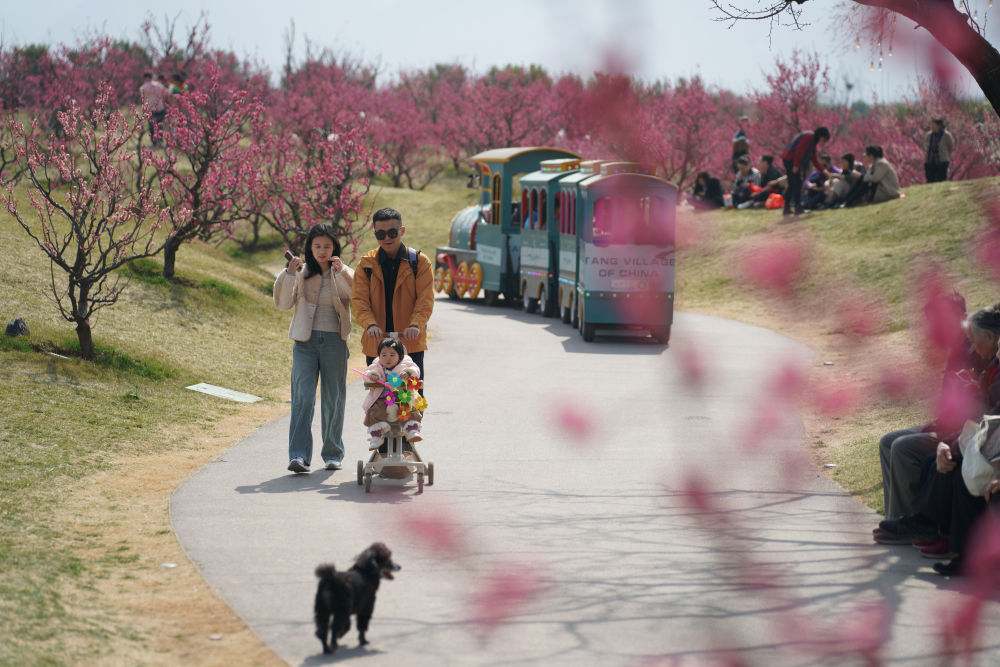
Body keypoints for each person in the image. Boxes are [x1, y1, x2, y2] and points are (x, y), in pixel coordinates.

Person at [875, 305, 1000, 575]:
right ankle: (905, 520)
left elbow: (986, 416)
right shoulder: (966, 351)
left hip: (974, 437)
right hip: (963, 433)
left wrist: (948, 441)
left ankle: (929, 527)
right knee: (893, 442)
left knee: (914, 452)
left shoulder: (979, 354)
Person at [877, 293, 984, 524]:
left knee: (903, 446)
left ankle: (910, 520)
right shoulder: (954, 350)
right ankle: (896, 516)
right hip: (944, 427)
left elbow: (973, 411)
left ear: (964, 318)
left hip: (961, 434)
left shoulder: (975, 352)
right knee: (887, 441)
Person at [273, 224, 354, 473]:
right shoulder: (300, 271)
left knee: (334, 399)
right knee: (303, 398)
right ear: (310, 247)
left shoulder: (343, 270)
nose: (321, 250)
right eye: (317, 246)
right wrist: (288, 273)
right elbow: (283, 303)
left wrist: (340, 273)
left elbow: (357, 294)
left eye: (327, 246)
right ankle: (298, 456)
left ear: (335, 248)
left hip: (335, 343)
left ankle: (333, 454)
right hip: (304, 345)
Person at [352, 207, 435, 389]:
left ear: (401, 231)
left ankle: (413, 419)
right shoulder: (366, 264)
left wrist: (415, 325)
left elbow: (425, 300)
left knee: (411, 399)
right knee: (380, 400)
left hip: (410, 344)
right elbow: (359, 301)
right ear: (375, 234)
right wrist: (370, 324)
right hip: (377, 346)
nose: (387, 238)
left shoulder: (419, 263)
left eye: (392, 232)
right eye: (381, 234)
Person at [361, 338, 423, 448]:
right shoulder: (377, 366)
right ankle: (376, 436)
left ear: (400, 356)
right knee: (374, 411)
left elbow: (416, 371)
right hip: (382, 399)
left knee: (407, 407)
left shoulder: (405, 365)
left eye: (392, 355)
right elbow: (367, 373)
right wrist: (372, 376)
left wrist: (408, 373)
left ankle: (412, 429)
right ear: (379, 356)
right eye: (383, 355)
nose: (387, 358)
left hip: (401, 396)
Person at [779, 126, 831, 216]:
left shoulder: (812, 141)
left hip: (791, 160)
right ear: (821, 135)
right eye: (823, 139)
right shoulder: (809, 136)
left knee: (793, 184)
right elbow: (799, 150)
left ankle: (787, 208)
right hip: (791, 160)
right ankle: (797, 207)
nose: (822, 141)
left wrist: (823, 170)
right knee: (796, 183)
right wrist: (796, 165)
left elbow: (813, 158)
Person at [139, 72, 167, 146]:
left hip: (150, 109)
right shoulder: (159, 85)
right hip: (160, 107)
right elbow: (165, 93)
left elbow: (143, 98)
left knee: (151, 126)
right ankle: (160, 141)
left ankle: (154, 142)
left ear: (145, 78)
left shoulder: (143, 87)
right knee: (160, 125)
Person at [924, 117, 956, 184]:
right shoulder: (928, 135)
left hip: (942, 161)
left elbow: (951, 147)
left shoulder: (946, 135)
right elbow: (926, 145)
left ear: (939, 125)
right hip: (930, 160)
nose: (932, 126)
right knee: (930, 179)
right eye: (931, 124)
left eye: (933, 124)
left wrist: (945, 153)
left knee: (941, 179)